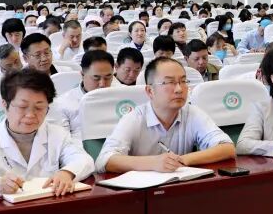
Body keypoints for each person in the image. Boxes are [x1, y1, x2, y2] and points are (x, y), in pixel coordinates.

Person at [0, 69, 94, 196]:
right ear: (5, 105)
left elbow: (84, 160)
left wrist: (67, 173)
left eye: (39, 108)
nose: (30, 115)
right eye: (22, 107)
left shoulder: (57, 134)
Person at [96, 57, 236, 172]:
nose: (179, 89)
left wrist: (182, 160)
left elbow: (227, 148)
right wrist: (153, 163)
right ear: (150, 91)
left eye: (183, 81)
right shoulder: (135, 118)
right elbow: (105, 160)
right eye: (169, 82)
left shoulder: (191, 112)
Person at [53, 50, 114, 143]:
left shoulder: (121, 96)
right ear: (82, 74)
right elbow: (62, 143)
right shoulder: (63, 103)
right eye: (96, 78)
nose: (102, 84)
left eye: (107, 77)